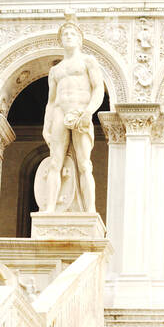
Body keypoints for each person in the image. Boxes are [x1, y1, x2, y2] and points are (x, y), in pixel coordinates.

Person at [42, 18, 104, 214]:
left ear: (79, 39)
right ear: (61, 40)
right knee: (55, 162)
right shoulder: (55, 70)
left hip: (79, 111)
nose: (68, 37)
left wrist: (88, 112)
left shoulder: (88, 61)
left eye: (72, 34)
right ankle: (50, 209)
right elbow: (51, 102)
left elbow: (98, 89)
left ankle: (90, 210)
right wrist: (46, 126)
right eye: (65, 34)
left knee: (85, 164)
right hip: (60, 112)